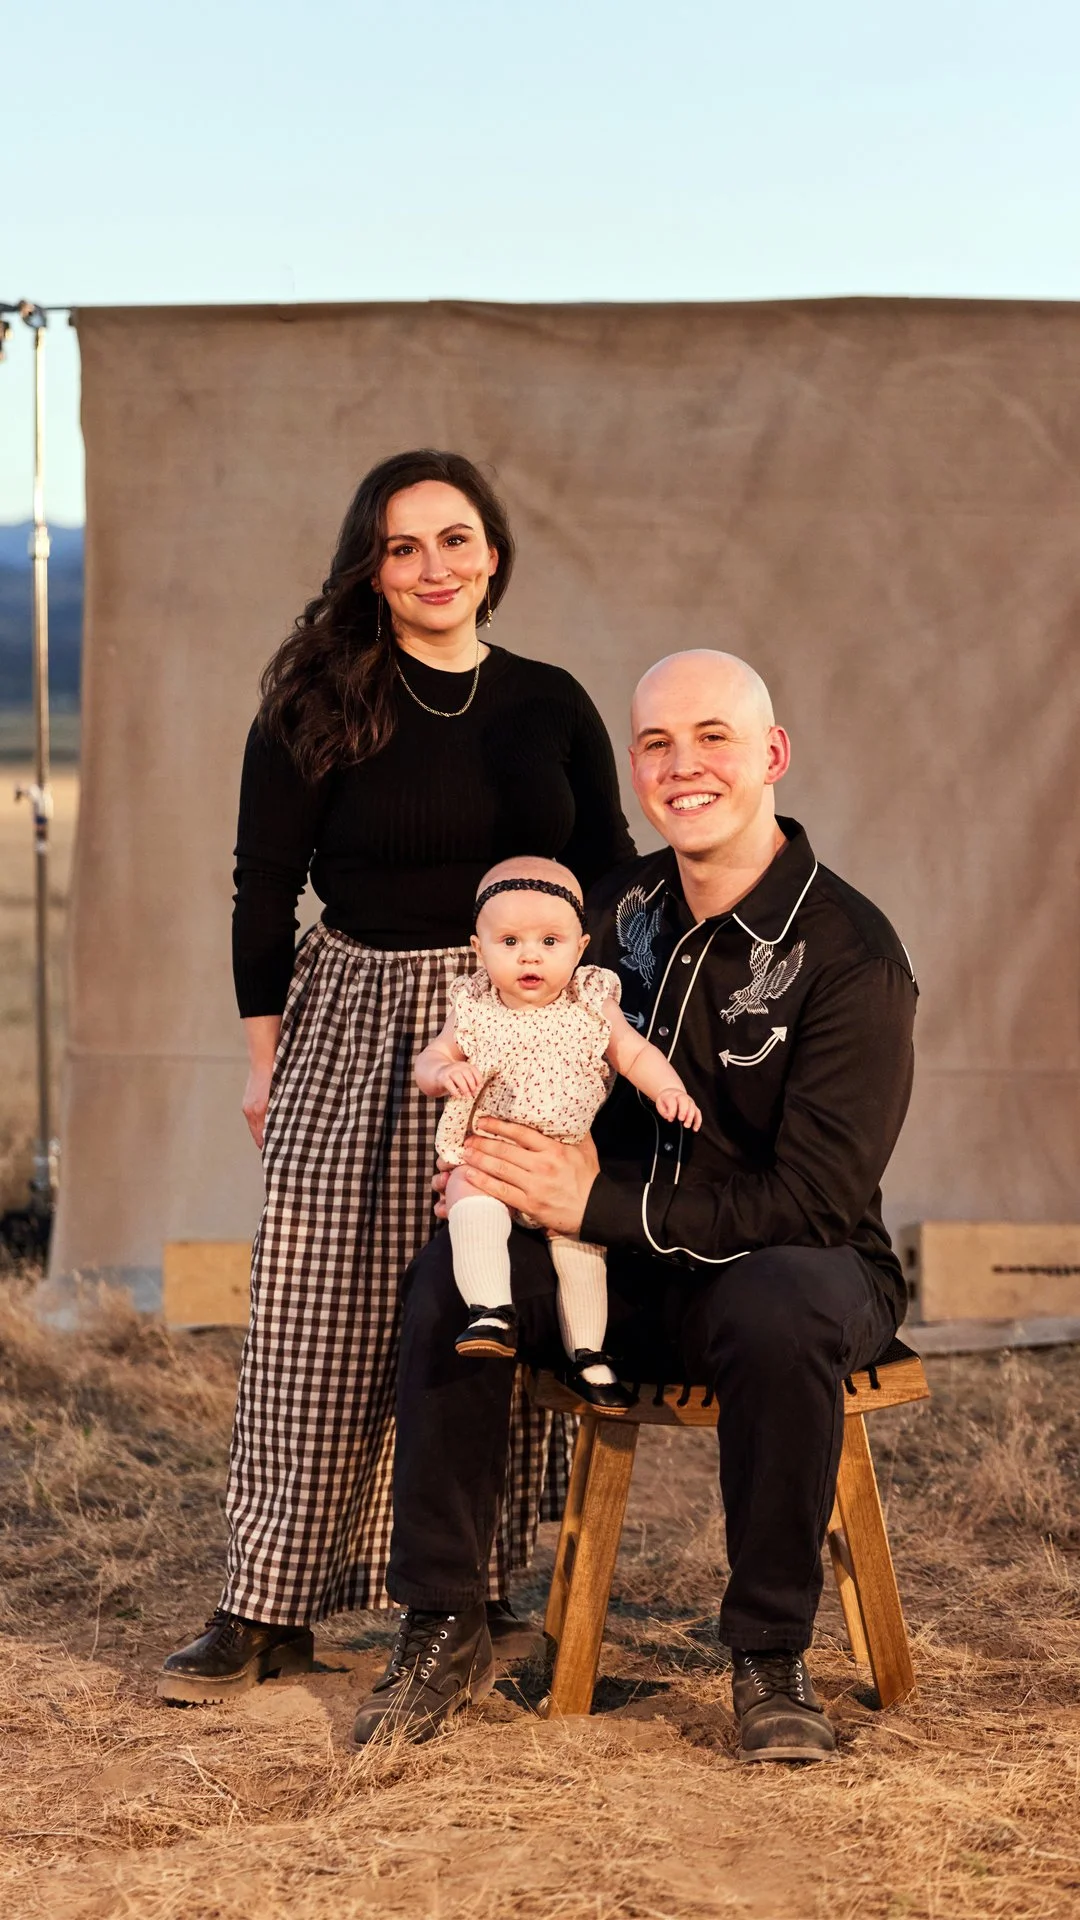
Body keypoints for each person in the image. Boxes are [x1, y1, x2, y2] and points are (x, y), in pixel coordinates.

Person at [350, 648, 918, 1763]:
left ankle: (767, 1658)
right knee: (455, 1270)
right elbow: (525, 1058)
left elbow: (815, 1197)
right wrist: (491, 1162)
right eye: (655, 742)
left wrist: (597, 1204)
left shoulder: (852, 955)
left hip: (792, 1270)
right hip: (613, 1270)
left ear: (773, 755)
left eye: (713, 736)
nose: (682, 764)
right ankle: (446, 1622)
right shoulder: (604, 913)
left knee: (784, 1301)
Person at [159, 449, 635, 1703]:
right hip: (356, 1012)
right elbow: (264, 888)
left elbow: (617, 872)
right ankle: (263, 1607)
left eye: (458, 540)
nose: (435, 567)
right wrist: (266, 1063)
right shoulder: (316, 703)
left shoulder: (549, 703)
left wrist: (599, 1027)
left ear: (495, 555)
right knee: (311, 1315)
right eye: (404, 544)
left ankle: (466, 1594)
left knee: (470, 1307)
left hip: (517, 1030)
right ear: (369, 564)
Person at [415, 854, 700, 1409]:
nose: (530, 956)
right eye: (511, 941)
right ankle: (490, 1312)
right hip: (488, 1156)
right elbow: (431, 1058)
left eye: (550, 941)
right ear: (479, 948)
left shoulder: (591, 999)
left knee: (581, 1246)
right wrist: (444, 1072)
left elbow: (632, 1052)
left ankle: (589, 1355)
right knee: (470, 1203)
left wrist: (668, 1088)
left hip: (568, 1162)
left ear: (580, 945)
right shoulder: (473, 1004)